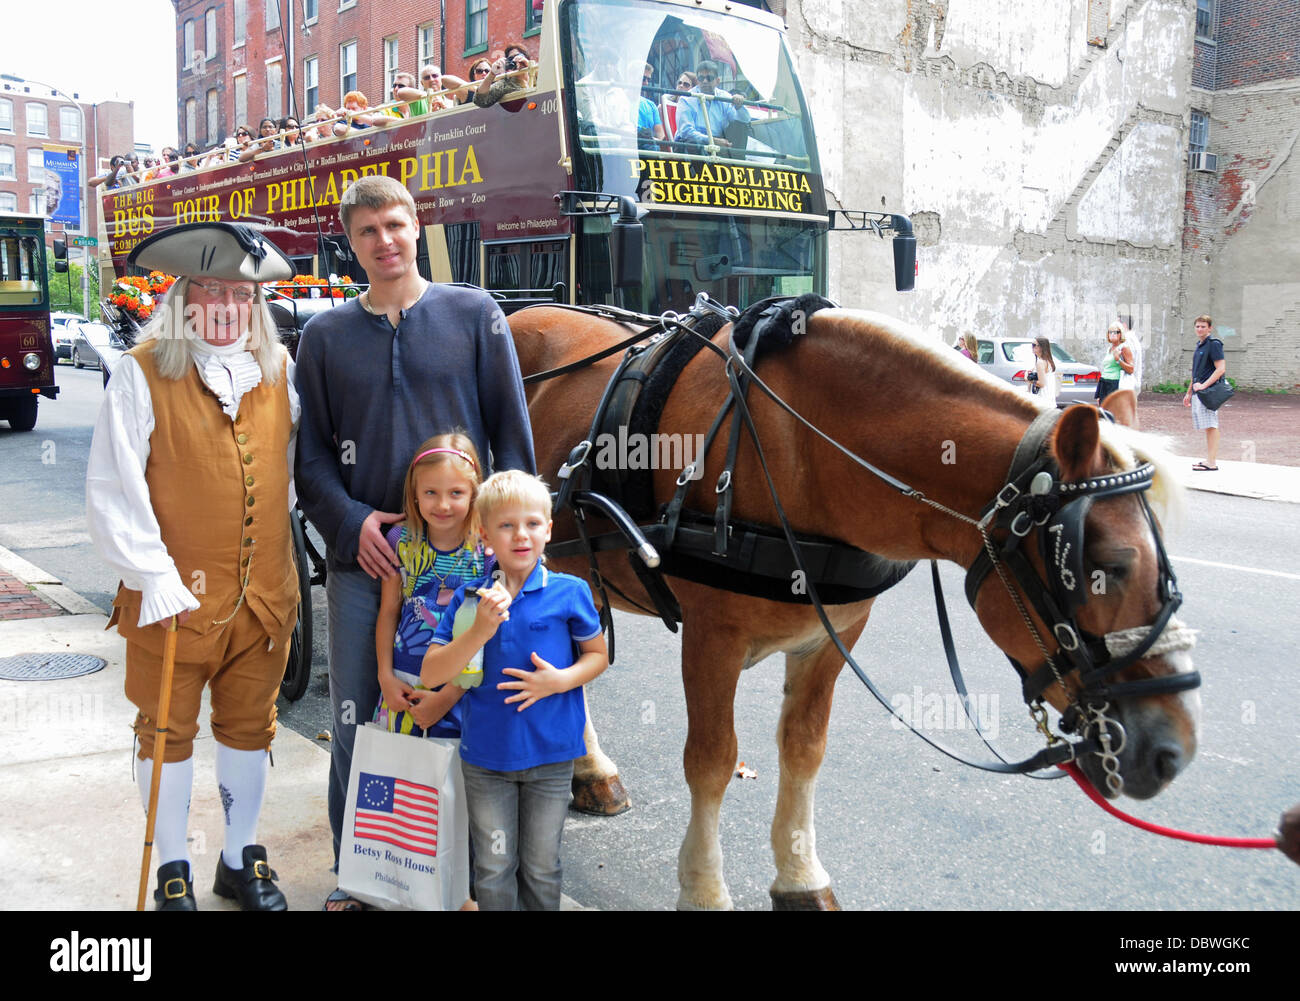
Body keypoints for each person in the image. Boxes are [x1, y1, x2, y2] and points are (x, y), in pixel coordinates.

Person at [293, 174, 535, 911]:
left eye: (395, 224)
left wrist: (517, 553)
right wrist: (352, 523)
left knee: (466, 710)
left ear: (416, 224)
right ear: (352, 242)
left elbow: (513, 441)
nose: (385, 241)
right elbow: (307, 460)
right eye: (367, 232)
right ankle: (357, 874)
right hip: (368, 563)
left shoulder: (474, 313)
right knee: (362, 714)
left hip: (467, 569)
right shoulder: (325, 336)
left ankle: (460, 876)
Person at [86, 222, 300, 911]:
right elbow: (114, 489)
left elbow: (296, 480)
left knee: (249, 727)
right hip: (169, 601)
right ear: (185, 297)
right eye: (211, 287)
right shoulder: (141, 374)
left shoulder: (280, 373)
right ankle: (173, 863)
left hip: (264, 598)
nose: (227, 302)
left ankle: (239, 857)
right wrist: (154, 577)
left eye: (241, 291)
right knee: (166, 732)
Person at [420, 470, 608, 910]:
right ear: (485, 535)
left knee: (543, 868)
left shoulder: (570, 592)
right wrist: (479, 631)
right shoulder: (470, 601)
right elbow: (432, 673)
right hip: (487, 762)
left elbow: (597, 655)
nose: (520, 535)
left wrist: (558, 681)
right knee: (493, 867)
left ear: (548, 530)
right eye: (506, 525)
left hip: (552, 757)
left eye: (531, 524)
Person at [375, 433, 486, 742]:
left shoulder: (486, 553)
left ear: (474, 494)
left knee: (455, 785)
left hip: (460, 688)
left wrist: (447, 697)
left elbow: (488, 633)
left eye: (456, 493)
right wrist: (385, 676)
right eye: (431, 492)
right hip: (404, 684)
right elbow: (388, 612)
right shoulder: (400, 541)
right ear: (415, 494)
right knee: (401, 778)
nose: (443, 504)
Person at [1183, 313, 1228, 471]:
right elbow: (1196, 372)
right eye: (1197, 326)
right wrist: (1189, 392)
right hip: (1198, 393)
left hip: (1208, 392)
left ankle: (1212, 462)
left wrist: (1203, 386)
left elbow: (1221, 369)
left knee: (1211, 425)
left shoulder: (1214, 344)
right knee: (1207, 426)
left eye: (1203, 326)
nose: (1200, 329)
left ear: (1210, 328)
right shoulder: (1199, 345)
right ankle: (1208, 459)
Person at [674, 59, 750, 149]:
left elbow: (744, 121)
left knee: (741, 127)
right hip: (690, 143)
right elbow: (686, 132)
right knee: (693, 144)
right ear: (698, 81)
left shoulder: (724, 96)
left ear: (718, 81)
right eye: (701, 78)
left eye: (709, 78)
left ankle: (737, 161)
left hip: (716, 143)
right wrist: (712, 140)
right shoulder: (686, 99)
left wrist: (739, 106)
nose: (705, 81)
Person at [1094, 322, 1134, 402]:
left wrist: (1118, 360)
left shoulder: (1124, 348)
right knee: (1103, 411)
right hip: (1104, 382)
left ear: (1121, 334)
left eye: (1116, 332)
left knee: (1113, 411)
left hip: (1115, 383)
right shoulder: (1109, 349)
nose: (1112, 334)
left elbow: (1131, 369)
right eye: (1110, 332)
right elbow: (1106, 368)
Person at [1029, 335, 1059, 407]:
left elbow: (1042, 384)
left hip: (1042, 401)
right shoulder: (1048, 361)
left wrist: (1028, 379)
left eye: (1034, 345)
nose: (1032, 347)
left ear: (1041, 347)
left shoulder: (1040, 362)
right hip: (1049, 400)